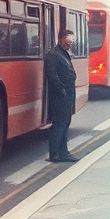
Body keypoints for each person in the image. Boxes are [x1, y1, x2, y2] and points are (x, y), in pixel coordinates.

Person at [44, 29, 79, 162]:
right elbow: (52, 76)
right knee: (60, 123)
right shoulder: (53, 55)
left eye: (71, 40)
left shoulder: (64, 54)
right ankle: (55, 154)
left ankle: (63, 152)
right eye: (68, 40)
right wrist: (62, 90)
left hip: (68, 93)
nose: (70, 43)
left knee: (65, 123)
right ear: (61, 39)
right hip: (60, 95)